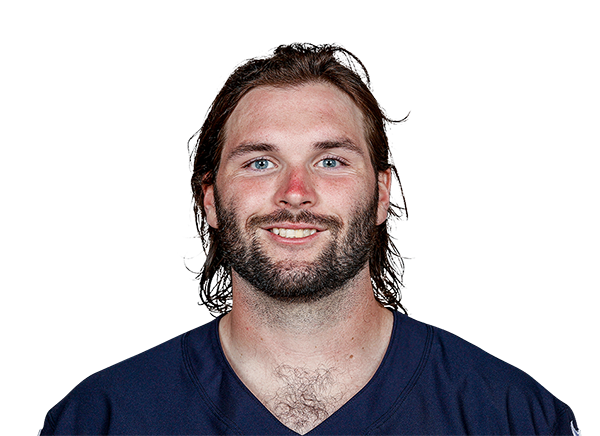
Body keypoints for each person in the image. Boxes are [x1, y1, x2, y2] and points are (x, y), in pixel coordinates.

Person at [41, 42, 576, 435]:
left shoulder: (506, 415)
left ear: (383, 194)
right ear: (210, 201)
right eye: (259, 161)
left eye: (330, 160)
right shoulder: (104, 418)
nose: (295, 192)